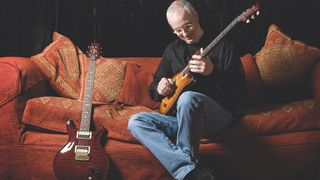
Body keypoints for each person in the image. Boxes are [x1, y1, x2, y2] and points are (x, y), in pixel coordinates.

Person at [128, 0, 245, 179]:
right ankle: (190, 172)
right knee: (135, 122)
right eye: (177, 30)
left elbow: (239, 91)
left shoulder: (224, 45)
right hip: (182, 121)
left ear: (196, 16)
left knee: (187, 97)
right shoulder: (172, 51)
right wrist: (160, 87)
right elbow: (153, 91)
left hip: (217, 117)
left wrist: (212, 72)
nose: (183, 33)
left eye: (187, 26)